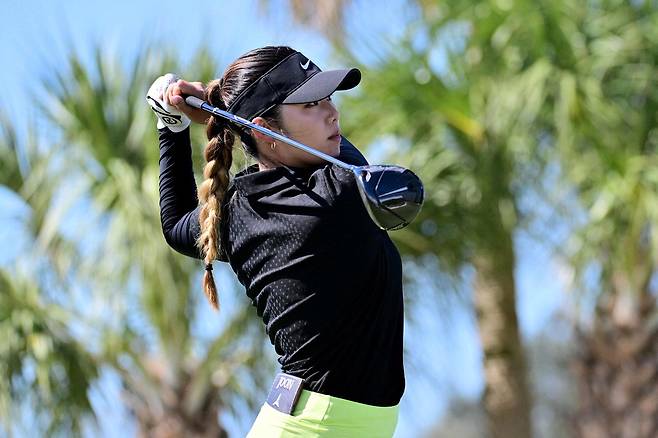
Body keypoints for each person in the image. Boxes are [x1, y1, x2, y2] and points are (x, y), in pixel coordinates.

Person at [148, 46, 405, 437]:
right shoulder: (338, 195)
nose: (332, 113)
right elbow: (364, 173)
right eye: (309, 105)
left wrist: (172, 127)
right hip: (316, 427)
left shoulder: (236, 212)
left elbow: (175, 225)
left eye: (329, 99)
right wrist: (217, 104)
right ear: (265, 129)